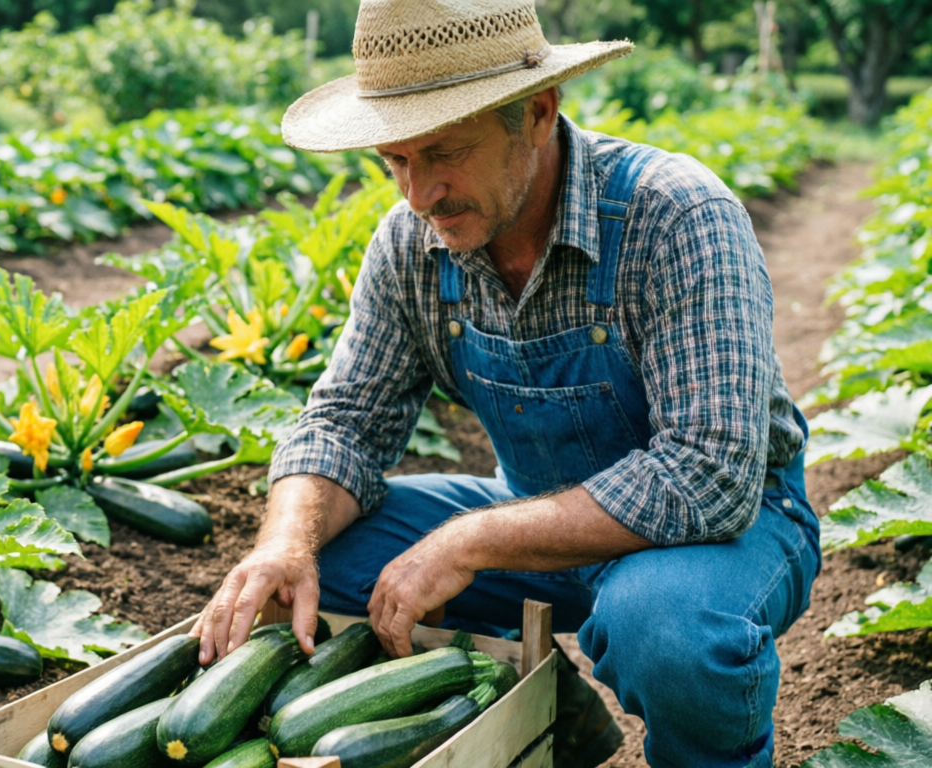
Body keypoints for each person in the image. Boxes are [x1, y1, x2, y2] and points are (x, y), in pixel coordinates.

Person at [191, 0, 821, 766]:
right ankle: (553, 714)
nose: (419, 195)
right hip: (538, 522)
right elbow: (345, 422)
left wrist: (472, 539)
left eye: (444, 152)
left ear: (538, 113)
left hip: (732, 531)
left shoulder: (675, 216)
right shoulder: (410, 245)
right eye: (395, 161)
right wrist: (286, 544)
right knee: (325, 568)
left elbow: (710, 474)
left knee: (663, 625)